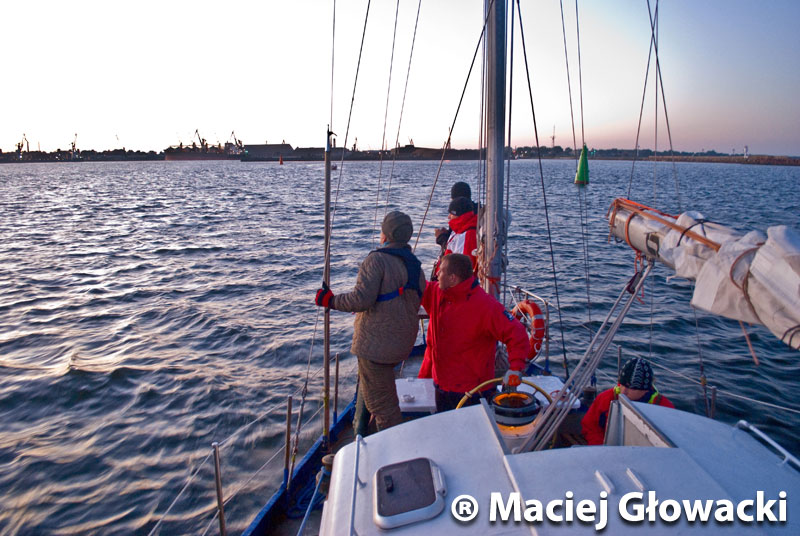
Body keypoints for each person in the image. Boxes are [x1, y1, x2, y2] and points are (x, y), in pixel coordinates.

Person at [315, 211, 426, 432]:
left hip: (377, 347)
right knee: (378, 393)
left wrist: (330, 300)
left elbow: (361, 300)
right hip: (402, 342)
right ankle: (363, 432)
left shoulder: (376, 260)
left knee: (383, 408)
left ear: (386, 235)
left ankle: (392, 445)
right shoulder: (415, 265)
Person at [418, 253, 530, 412]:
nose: (436, 274)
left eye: (440, 271)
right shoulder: (436, 293)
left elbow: (517, 333)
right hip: (442, 387)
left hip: (473, 392)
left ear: (452, 278)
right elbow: (417, 284)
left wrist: (516, 368)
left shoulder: (486, 306)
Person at [581, 357, 675, 445]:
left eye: (631, 388)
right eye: (622, 385)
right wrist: (603, 448)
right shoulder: (606, 398)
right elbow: (590, 425)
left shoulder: (664, 408)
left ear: (645, 390)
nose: (624, 391)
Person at [433, 196, 478, 277]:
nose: (448, 217)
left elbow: (462, 271)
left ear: (459, 215)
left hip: (451, 282)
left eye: (451, 214)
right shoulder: (458, 231)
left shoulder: (469, 236)